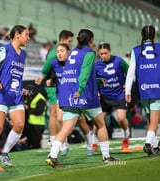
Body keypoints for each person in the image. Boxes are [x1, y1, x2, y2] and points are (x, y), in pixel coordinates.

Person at [45, 29, 119, 168]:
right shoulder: (89, 53)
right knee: (100, 124)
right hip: (84, 94)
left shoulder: (72, 52)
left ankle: (52, 155)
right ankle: (107, 156)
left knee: (66, 127)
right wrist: (81, 89)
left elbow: (74, 72)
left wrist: (96, 80)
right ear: (91, 40)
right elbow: (84, 73)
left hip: (68, 93)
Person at [0, 25, 30, 170]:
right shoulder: (4, 49)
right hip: (1, 93)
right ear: (17, 35)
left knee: (20, 125)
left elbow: (16, 74)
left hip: (15, 94)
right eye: (26, 35)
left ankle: (4, 153)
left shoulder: (23, 54)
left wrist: (21, 88)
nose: (28, 38)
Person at [46, 43, 94, 156]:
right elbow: (53, 75)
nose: (59, 53)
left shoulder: (74, 63)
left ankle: (90, 143)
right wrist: (50, 80)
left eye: (62, 51)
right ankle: (64, 145)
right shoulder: (54, 63)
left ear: (69, 52)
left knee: (81, 121)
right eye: (57, 51)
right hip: (62, 95)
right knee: (59, 118)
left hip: (75, 94)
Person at [35, 30, 74, 156]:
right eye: (69, 41)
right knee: (55, 114)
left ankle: (58, 140)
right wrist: (45, 78)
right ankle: (57, 141)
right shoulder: (54, 54)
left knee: (58, 115)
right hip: (55, 87)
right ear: (63, 39)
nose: (70, 44)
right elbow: (46, 69)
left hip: (61, 86)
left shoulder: (59, 53)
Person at [125, 25, 160, 155]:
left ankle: (155, 147)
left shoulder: (136, 50)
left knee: (151, 119)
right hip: (157, 88)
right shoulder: (159, 48)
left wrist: (127, 91)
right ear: (154, 36)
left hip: (143, 89)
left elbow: (130, 72)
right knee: (155, 120)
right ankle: (148, 142)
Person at [94, 42, 131, 152]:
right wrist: (97, 92)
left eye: (106, 53)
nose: (103, 56)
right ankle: (94, 142)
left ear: (110, 52)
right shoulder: (96, 66)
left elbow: (130, 73)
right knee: (98, 120)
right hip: (104, 97)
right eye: (101, 54)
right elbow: (93, 81)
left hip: (118, 94)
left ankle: (126, 135)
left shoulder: (119, 61)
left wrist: (126, 85)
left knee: (120, 118)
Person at [23, 84, 47, 149]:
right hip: (28, 124)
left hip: (37, 125)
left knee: (35, 144)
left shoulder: (40, 98)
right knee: (28, 143)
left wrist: (28, 109)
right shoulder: (28, 97)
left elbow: (39, 111)